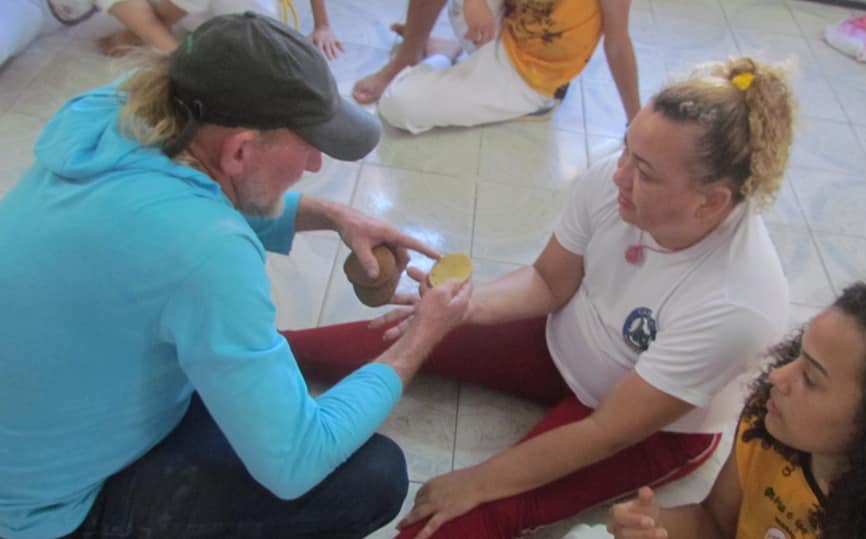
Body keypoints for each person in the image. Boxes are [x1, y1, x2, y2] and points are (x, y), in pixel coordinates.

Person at [0, 13, 473, 539]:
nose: (315, 164)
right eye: (307, 142)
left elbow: (180, 204)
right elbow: (295, 462)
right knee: (372, 476)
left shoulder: (119, 109)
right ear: (240, 150)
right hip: (39, 514)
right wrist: (421, 336)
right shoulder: (208, 252)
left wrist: (332, 215)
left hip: (23, 433)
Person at [281, 56, 796, 538]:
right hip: (563, 337)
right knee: (409, 330)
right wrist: (461, 309)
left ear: (711, 202)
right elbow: (550, 281)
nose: (618, 174)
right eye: (626, 149)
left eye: (645, 173)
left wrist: (479, 481)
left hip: (644, 429)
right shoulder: (614, 180)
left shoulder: (739, 303)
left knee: (450, 519)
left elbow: (606, 431)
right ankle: (268, 351)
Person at [606, 273, 866, 539]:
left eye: (811, 379)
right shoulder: (770, 424)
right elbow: (715, 522)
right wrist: (654, 524)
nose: (778, 376)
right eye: (798, 355)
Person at [351, 0, 640, 134]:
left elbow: (617, 45)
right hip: (499, 29)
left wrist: (636, 121)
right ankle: (406, 57)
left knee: (398, 106)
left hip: (530, 79)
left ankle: (444, 55)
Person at [96, 0, 344, 59]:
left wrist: (323, 25)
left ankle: (181, 65)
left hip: (245, 29)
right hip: (249, 28)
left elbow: (165, 16)